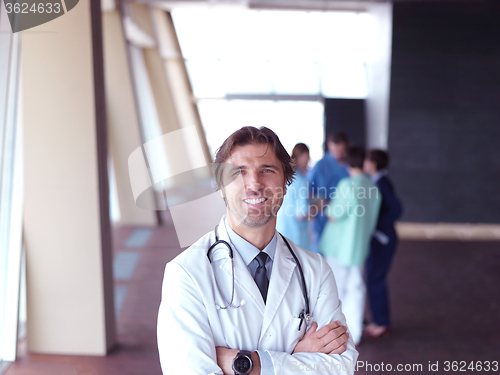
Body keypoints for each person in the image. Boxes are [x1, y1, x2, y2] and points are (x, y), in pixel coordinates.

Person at [157, 126, 358, 375]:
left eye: (267, 170)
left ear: (286, 185)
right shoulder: (186, 274)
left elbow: (342, 366)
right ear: (220, 186)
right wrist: (297, 360)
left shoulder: (315, 270)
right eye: (239, 172)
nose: (254, 183)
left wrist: (250, 364)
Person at [319, 146, 381, 346]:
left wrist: (325, 207)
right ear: (365, 162)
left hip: (340, 247)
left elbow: (334, 214)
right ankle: (354, 333)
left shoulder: (348, 185)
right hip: (360, 247)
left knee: (335, 290)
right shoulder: (373, 188)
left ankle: (335, 335)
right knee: (356, 289)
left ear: (346, 162)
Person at [362, 150, 403, 339]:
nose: (364, 163)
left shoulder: (381, 183)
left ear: (373, 163)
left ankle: (382, 322)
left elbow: (396, 209)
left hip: (383, 239)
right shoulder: (376, 181)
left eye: (367, 160)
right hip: (380, 238)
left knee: (375, 278)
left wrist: (377, 225)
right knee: (373, 277)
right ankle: (378, 319)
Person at [308, 132, 349, 253]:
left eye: (341, 151)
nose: (338, 155)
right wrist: (318, 203)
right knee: (322, 253)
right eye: (335, 151)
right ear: (330, 147)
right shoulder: (321, 165)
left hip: (345, 216)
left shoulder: (351, 163)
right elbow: (310, 191)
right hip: (324, 217)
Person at [276, 143, 311, 251]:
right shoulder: (301, 180)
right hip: (296, 235)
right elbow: (301, 213)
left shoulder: (285, 176)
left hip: (280, 230)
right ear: (305, 155)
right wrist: (318, 206)